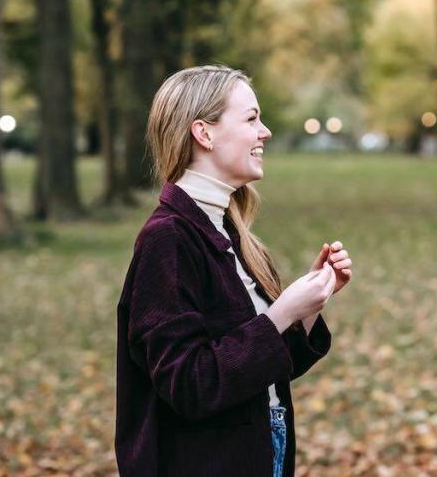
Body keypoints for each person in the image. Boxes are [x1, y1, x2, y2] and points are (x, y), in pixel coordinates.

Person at [115, 65, 354, 477]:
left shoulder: (223, 227)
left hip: (262, 447)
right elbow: (190, 384)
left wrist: (307, 307)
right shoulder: (168, 238)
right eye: (251, 118)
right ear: (203, 133)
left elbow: (260, 368)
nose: (265, 132)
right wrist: (280, 313)